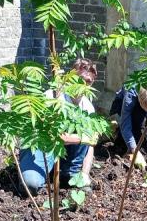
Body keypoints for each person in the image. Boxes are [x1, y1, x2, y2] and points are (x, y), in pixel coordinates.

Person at [19, 58, 99, 194]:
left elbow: (89, 146)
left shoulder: (88, 108)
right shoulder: (52, 98)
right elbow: (53, 136)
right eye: (80, 80)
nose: (83, 85)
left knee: (86, 132)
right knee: (30, 185)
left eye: (88, 82)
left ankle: (68, 174)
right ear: (70, 77)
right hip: (42, 150)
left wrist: (84, 174)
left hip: (66, 159)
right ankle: (38, 172)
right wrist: (83, 138)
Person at [113, 85, 147, 169]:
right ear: (139, 98)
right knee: (124, 143)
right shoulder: (130, 94)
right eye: (145, 107)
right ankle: (124, 146)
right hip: (127, 102)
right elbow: (125, 125)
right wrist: (135, 152)